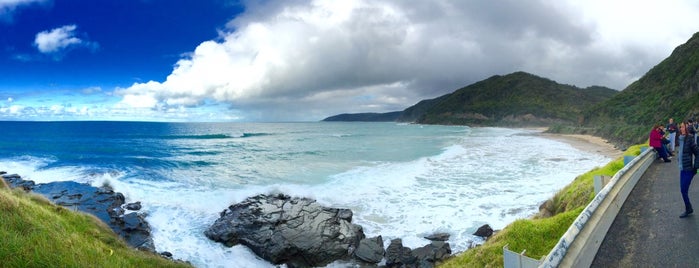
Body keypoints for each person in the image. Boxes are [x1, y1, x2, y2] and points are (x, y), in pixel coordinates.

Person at [678, 122, 699, 218]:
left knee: (683, 190)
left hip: (688, 169)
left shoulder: (690, 138)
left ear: (687, 128)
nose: (682, 128)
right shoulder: (680, 139)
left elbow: (697, 153)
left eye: (683, 127)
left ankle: (688, 208)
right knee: (683, 190)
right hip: (682, 169)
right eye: (681, 127)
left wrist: (696, 167)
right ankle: (689, 208)